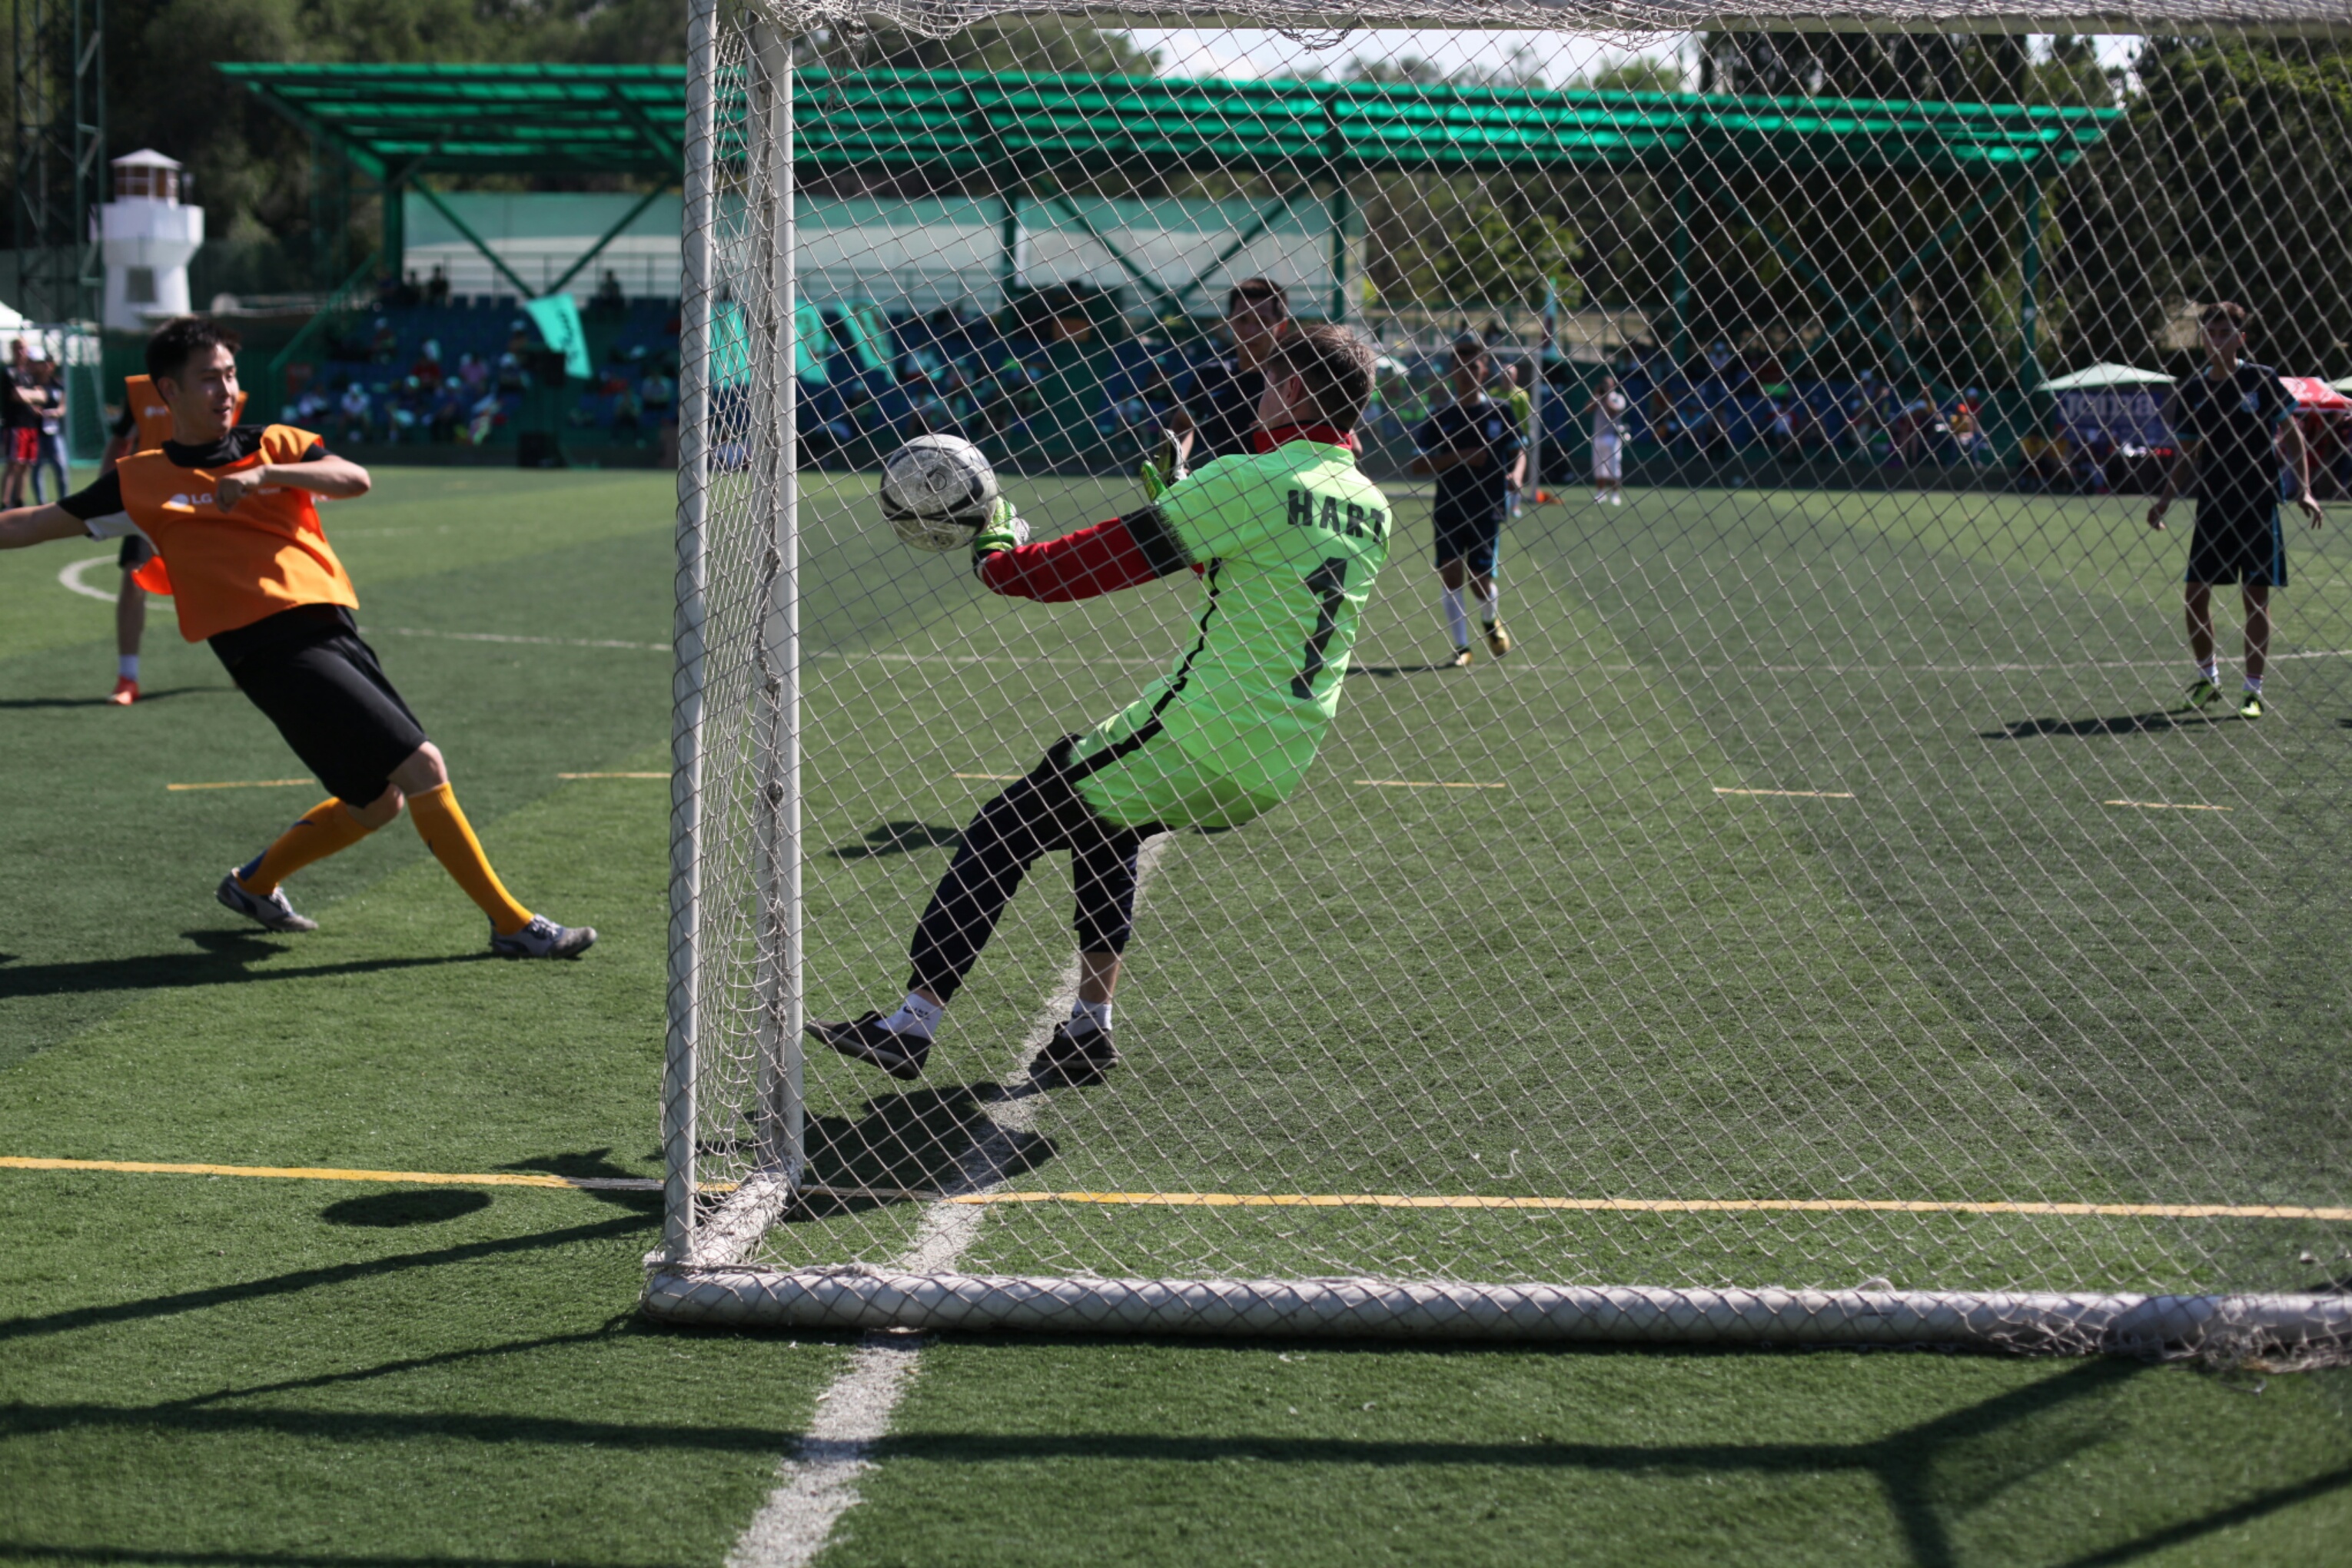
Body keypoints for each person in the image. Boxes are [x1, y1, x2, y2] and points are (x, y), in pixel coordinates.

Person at [808, 324, 1388, 1088]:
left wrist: (999, 553)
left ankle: (910, 1025)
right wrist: (1179, 492)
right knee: (1102, 820)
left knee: (1002, 828)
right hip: (1279, 755)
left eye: (1271, 379)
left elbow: (1083, 566)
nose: (1260, 391)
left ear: (1298, 392)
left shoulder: (1252, 478)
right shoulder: (1368, 502)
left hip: (1198, 733)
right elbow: (1244, 558)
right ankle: (1087, 1029)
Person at [0, 315, 596, 958]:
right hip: (267, 651)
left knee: (377, 803)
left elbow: (354, 478)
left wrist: (266, 477)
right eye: (208, 379)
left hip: (331, 629)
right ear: (167, 393)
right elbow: (33, 523)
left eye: (230, 374)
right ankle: (511, 925)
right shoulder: (140, 479)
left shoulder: (277, 444)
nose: (226, 389)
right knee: (422, 767)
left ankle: (252, 886)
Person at [2149, 301, 2323, 719]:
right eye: (2209, 333)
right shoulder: (2194, 388)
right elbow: (2188, 453)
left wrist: (2305, 489)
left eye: (2225, 333)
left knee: (2256, 600)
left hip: (2257, 503)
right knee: (2194, 597)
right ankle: (2208, 679)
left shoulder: (2259, 378)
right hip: (2213, 505)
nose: (2216, 340)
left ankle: (2253, 690)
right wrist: (2166, 499)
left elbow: (2294, 437)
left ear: (2241, 338)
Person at [1410, 332, 1520, 666]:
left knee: (1480, 579)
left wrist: (1516, 475)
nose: (1467, 372)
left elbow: (1519, 450)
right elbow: (1417, 464)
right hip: (1448, 508)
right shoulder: (1440, 415)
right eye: (1461, 366)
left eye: (1474, 366)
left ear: (1484, 370)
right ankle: (1462, 648)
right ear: (1452, 372)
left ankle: (1489, 619)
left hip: (1486, 508)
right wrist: (1461, 457)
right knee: (1451, 573)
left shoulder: (1500, 411)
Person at [1161, 277, 1292, 477]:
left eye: (1262, 321)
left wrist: (1287, 432)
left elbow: (1350, 444)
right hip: (1221, 498)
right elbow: (1183, 422)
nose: (1250, 331)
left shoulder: (1297, 380)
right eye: (1242, 319)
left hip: (1278, 497)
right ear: (1229, 320)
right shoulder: (1211, 376)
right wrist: (1175, 465)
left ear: (1281, 327)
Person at [1588, 372, 1629, 505]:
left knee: (1614, 467)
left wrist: (1606, 398)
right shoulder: (1598, 397)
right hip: (1598, 436)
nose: (1605, 386)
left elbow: (1615, 411)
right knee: (1599, 467)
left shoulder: (1618, 398)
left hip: (1612, 437)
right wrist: (1597, 396)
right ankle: (1600, 493)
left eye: (1608, 384)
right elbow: (1588, 409)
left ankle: (1615, 494)